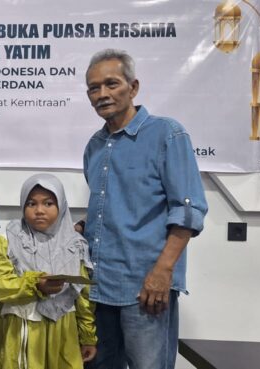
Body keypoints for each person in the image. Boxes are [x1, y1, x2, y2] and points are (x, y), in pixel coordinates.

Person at [81, 49, 208, 369]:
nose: (102, 94)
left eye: (111, 84)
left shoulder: (167, 134)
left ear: (133, 87)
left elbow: (188, 211)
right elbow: (112, 209)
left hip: (146, 290)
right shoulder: (94, 146)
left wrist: (162, 273)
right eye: (94, 88)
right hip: (99, 288)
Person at [0, 174, 97, 369]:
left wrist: (88, 336)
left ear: (61, 205)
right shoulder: (9, 239)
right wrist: (34, 284)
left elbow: (82, 295)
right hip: (22, 327)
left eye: (48, 203)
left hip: (63, 330)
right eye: (31, 204)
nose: (39, 211)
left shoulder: (75, 245)